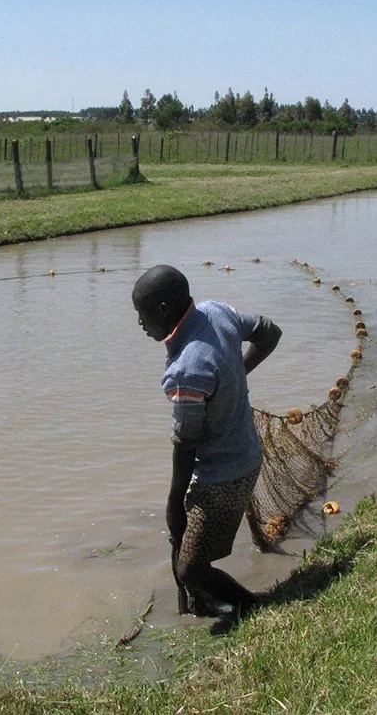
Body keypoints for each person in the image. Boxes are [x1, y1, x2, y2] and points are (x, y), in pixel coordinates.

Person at [132, 264, 281, 616]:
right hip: (245, 453)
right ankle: (201, 605)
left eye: (142, 315)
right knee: (192, 550)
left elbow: (186, 444)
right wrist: (235, 373)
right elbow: (269, 333)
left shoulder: (186, 370)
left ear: (164, 311)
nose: (140, 324)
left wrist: (173, 505)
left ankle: (253, 608)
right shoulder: (217, 312)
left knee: (190, 569)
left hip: (223, 475)